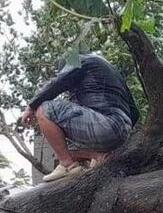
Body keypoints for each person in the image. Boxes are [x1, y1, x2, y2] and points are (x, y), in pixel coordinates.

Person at [21, 53, 139, 182]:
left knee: (45, 109)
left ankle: (67, 165)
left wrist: (31, 106)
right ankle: (98, 155)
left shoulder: (79, 60)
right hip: (123, 130)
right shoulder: (114, 73)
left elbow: (59, 82)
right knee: (63, 146)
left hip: (104, 125)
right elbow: (134, 112)